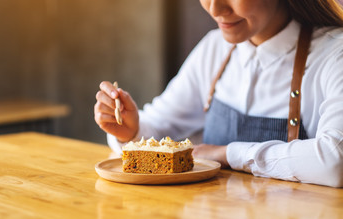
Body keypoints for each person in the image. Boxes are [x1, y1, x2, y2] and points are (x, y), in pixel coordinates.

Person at [94, 0, 343, 187]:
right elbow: (159, 126)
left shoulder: (334, 55)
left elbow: (334, 161)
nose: (215, 8)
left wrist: (226, 153)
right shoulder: (214, 49)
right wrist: (131, 130)